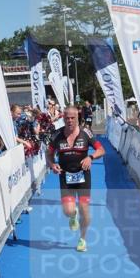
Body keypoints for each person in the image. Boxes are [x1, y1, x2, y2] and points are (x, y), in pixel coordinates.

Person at [47, 105, 105, 253]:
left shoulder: (86, 133)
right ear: (63, 119)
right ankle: (73, 216)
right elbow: (48, 154)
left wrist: (90, 157)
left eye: (73, 118)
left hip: (83, 176)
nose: (70, 121)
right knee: (68, 211)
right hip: (65, 177)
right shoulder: (57, 135)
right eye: (67, 118)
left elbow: (101, 150)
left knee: (85, 209)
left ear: (77, 118)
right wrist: (52, 164)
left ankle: (82, 239)